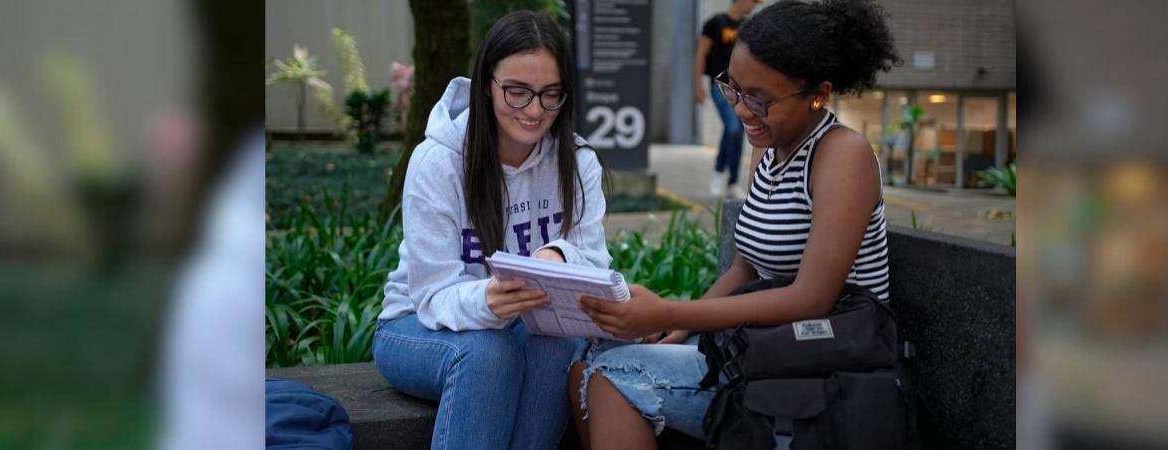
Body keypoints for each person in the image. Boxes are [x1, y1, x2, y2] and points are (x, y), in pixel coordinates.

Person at [569, 1, 901, 448]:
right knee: (588, 357)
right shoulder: (768, 150)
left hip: (824, 366)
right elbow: (745, 269)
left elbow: (811, 298)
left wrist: (668, 310)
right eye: (735, 88)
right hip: (766, 349)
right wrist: (680, 328)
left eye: (761, 98)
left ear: (818, 94)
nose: (743, 110)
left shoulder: (843, 155)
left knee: (613, 373)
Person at [371, 11, 611, 450]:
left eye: (550, 94)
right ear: (486, 83)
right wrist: (487, 300)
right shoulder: (439, 161)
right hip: (418, 326)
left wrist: (560, 257)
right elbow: (430, 294)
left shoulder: (577, 162)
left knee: (555, 345)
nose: (535, 110)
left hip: (526, 327)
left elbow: (594, 260)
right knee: (489, 352)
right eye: (517, 92)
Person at [696, 0, 761, 198]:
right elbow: (701, 54)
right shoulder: (715, 23)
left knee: (739, 131)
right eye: (753, 1)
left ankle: (732, 181)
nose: (754, 6)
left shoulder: (748, 26)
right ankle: (718, 171)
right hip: (720, 87)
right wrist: (697, 85)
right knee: (733, 127)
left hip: (743, 89)